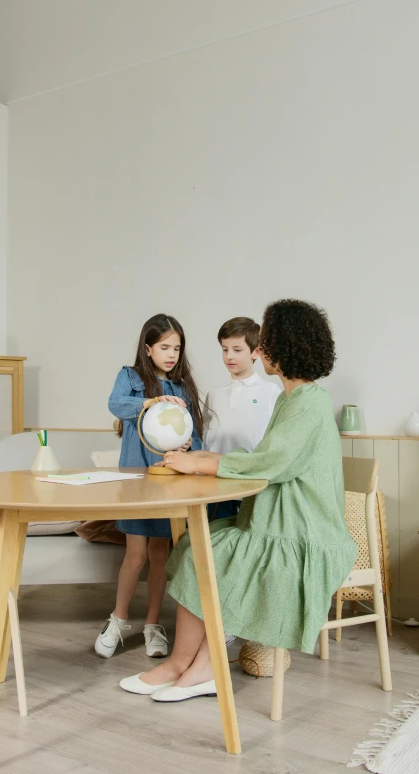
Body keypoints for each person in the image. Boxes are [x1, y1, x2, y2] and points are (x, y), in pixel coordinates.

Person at [118, 299, 358, 701]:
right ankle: (183, 664)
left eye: (264, 343)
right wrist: (201, 458)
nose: (259, 351)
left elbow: (270, 463)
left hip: (302, 532)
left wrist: (201, 465)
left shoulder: (309, 403)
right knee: (197, 546)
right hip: (274, 523)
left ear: (286, 348)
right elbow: (263, 458)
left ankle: (201, 669)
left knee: (213, 557)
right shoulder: (291, 399)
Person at [95, 314, 203, 660]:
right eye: (164, 347)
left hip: (167, 484)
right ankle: (119, 619)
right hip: (135, 482)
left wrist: (188, 448)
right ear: (148, 348)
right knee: (135, 555)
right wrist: (150, 402)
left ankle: (152, 624)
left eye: (177, 348)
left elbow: (195, 437)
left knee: (160, 554)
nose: (171, 354)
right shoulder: (130, 378)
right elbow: (116, 404)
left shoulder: (183, 388)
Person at [204, 316, 281, 523]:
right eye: (224, 349)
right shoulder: (215, 392)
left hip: (252, 484)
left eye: (237, 350)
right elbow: (205, 432)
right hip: (215, 483)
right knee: (213, 542)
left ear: (256, 351)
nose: (229, 356)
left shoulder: (271, 392)